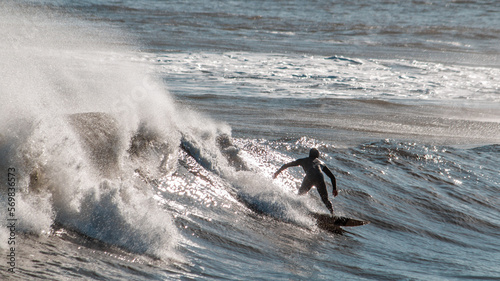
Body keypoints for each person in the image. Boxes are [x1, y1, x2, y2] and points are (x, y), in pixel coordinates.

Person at [273, 148, 338, 214]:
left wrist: (277, 173)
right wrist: (334, 189)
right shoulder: (321, 163)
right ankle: (332, 214)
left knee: (299, 195)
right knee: (325, 199)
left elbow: (286, 165)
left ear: (309, 154)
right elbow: (332, 177)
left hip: (310, 177)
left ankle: (295, 211)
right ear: (317, 155)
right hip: (319, 177)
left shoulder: (303, 160)